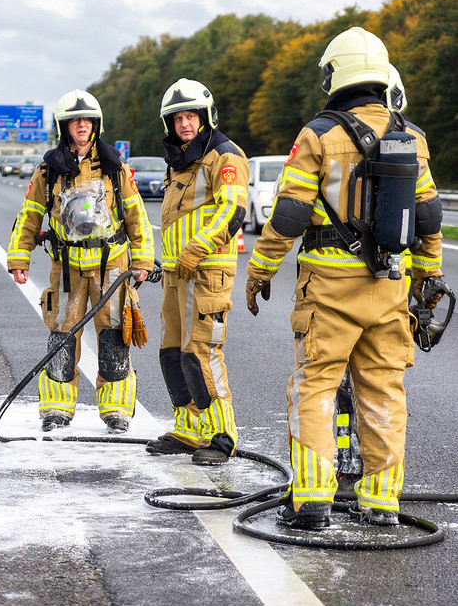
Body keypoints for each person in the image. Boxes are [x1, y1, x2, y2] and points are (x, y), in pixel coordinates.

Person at [245, 27, 445, 529]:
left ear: (335, 74)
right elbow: (429, 220)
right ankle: (381, 502)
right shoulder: (412, 138)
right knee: (383, 391)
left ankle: (312, 498)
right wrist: (429, 277)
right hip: (390, 288)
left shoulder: (318, 135)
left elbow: (288, 214)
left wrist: (260, 269)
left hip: (330, 290)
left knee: (314, 386)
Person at [6, 90, 154, 432]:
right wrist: (19, 256)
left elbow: (136, 216)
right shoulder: (49, 171)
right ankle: (56, 410)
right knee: (62, 338)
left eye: (87, 120)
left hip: (112, 268)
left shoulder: (116, 169)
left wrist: (143, 257)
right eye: (76, 121)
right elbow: (29, 216)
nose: (82, 125)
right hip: (67, 270)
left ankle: (116, 411)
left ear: (96, 125)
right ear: (65, 127)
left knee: (114, 337)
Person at [145, 79, 249, 466]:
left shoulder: (223, 155)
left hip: (206, 271)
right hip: (176, 272)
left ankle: (222, 436)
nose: (185, 124)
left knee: (201, 353)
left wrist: (197, 249)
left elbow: (231, 209)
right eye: (178, 118)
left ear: (205, 117)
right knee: (172, 354)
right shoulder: (182, 158)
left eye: (191, 116)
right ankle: (190, 428)